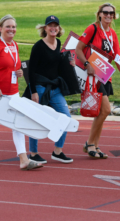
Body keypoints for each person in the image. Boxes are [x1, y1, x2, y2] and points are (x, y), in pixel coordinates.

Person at [0, 14, 43, 170]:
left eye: (14, 26)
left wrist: (18, 72)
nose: (11, 29)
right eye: (8, 26)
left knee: (17, 124)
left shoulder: (14, 45)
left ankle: (24, 159)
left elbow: (12, 65)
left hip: (12, 92)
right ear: (0, 28)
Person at [76, 3, 120, 159]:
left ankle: (95, 145)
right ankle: (89, 143)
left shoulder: (113, 34)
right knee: (106, 110)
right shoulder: (93, 28)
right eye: (106, 12)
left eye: (112, 13)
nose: (109, 15)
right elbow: (78, 49)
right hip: (92, 74)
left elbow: (118, 59)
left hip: (105, 75)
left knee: (102, 112)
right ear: (100, 14)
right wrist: (87, 64)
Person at [26, 15, 75, 164]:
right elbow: (31, 71)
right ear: (45, 28)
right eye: (50, 25)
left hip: (55, 88)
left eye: (56, 26)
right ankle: (33, 153)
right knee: (36, 121)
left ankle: (57, 151)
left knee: (66, 118)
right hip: (40, 88)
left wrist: (69, 62)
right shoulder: (39, 46)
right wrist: (33, 91)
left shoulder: (58, 43)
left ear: (59, 29)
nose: (53, 28)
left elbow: (56, 64)